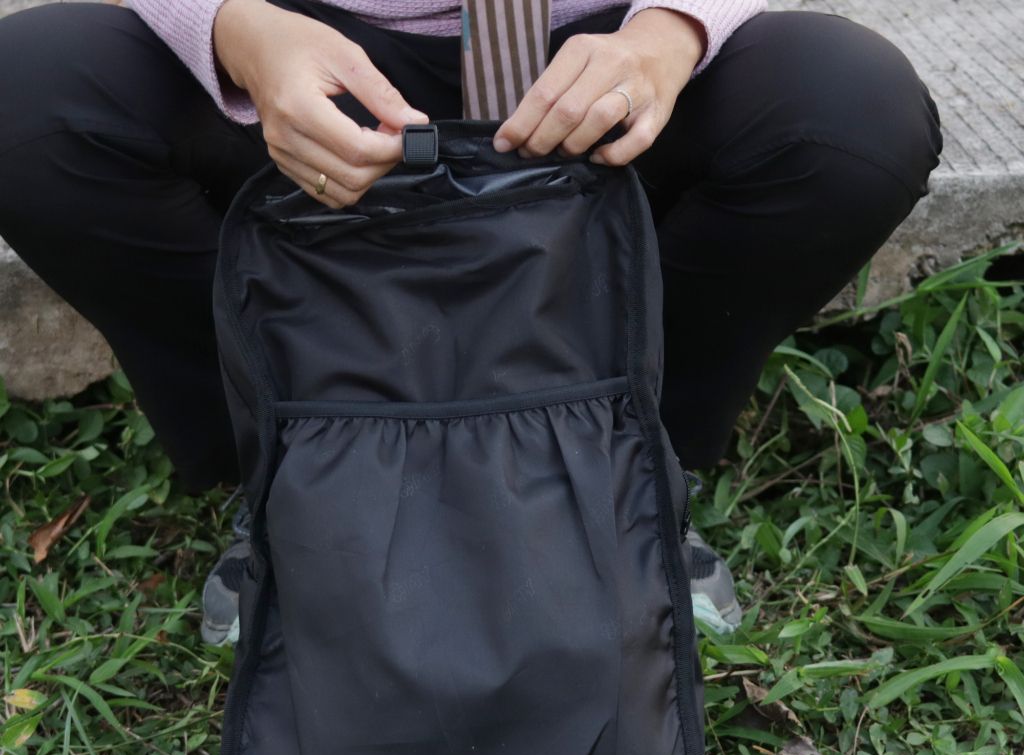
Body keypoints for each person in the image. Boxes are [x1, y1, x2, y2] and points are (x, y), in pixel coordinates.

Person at [0, 0, 941, 643]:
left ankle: (626, 460)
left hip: (601, 53)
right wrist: (233, 27)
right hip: (309, 47)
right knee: (27, 95)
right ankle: (294, 466)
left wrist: (672, 30)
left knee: (848, 112)